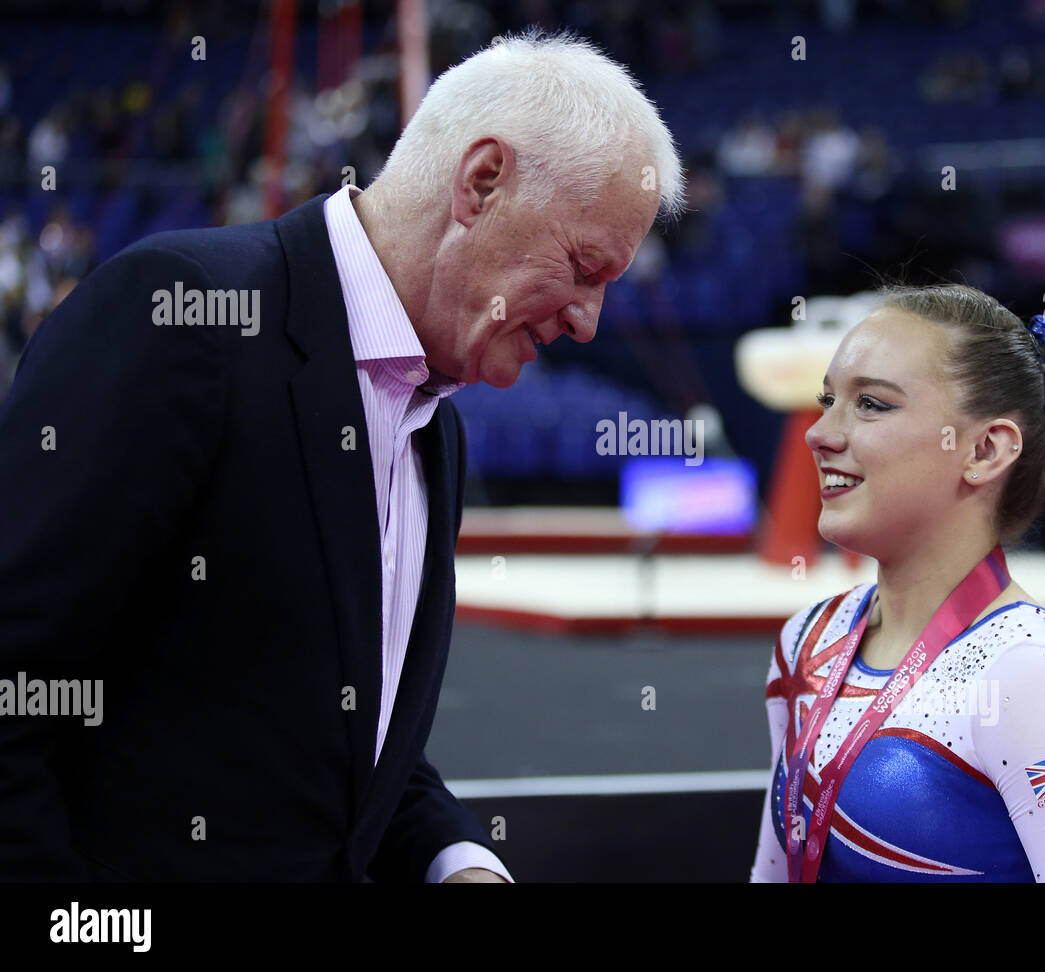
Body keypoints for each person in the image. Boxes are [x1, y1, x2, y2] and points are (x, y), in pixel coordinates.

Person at [0, 29, 682, 882]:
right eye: (585, 267)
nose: (589, 318)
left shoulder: (439, 423)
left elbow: (341, 749)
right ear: (481, 182)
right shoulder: (180, 320)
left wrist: (455, 860)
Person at [751, 283, 1045, 882]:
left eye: (872, 404)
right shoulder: (807, 644)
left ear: (984, 448)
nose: (820, 432)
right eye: (828, 400)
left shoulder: (1026, 673)